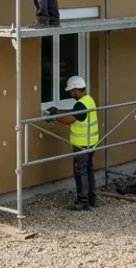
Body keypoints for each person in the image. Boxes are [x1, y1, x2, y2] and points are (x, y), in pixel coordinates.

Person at [46, 75, 99, 210]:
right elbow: (74, 112)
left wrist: (55, 118)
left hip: (81, 145)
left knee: (80, 172)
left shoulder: (80, 104)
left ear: (76, 90)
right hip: (91, 143)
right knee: (88, 170)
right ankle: (91, 199)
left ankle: (82, 202)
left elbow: (69, 119)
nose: (70, 93)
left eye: (71, 91)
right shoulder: (88, 100)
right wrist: (58, 111)